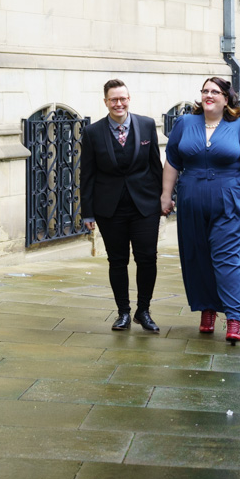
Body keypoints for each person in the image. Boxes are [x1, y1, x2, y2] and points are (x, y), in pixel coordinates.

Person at [161, 76, 240, 343]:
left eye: (215, 91)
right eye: (205, 91)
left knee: (228, 260)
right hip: (191, 198)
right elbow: (172, 161)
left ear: (226, 98)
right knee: (197, 256)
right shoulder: (184, 123)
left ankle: (234, 316)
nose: (208, 95)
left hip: (229, 199)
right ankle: (207, 309)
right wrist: (165, 195)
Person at [80, 79, 163, 332]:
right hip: (109, 208)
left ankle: (144, 311)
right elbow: (87, 174)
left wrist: (164, 198)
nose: (119, 103)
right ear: (105, 102)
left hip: (145, 206)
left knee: (147, 258)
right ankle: (123, 313)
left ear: (129, 99)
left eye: (123, 98)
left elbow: (155, 166)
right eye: (113, 99)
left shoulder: (147, 125)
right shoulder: (93, 132)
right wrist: (88, 212)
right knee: (118, 261)